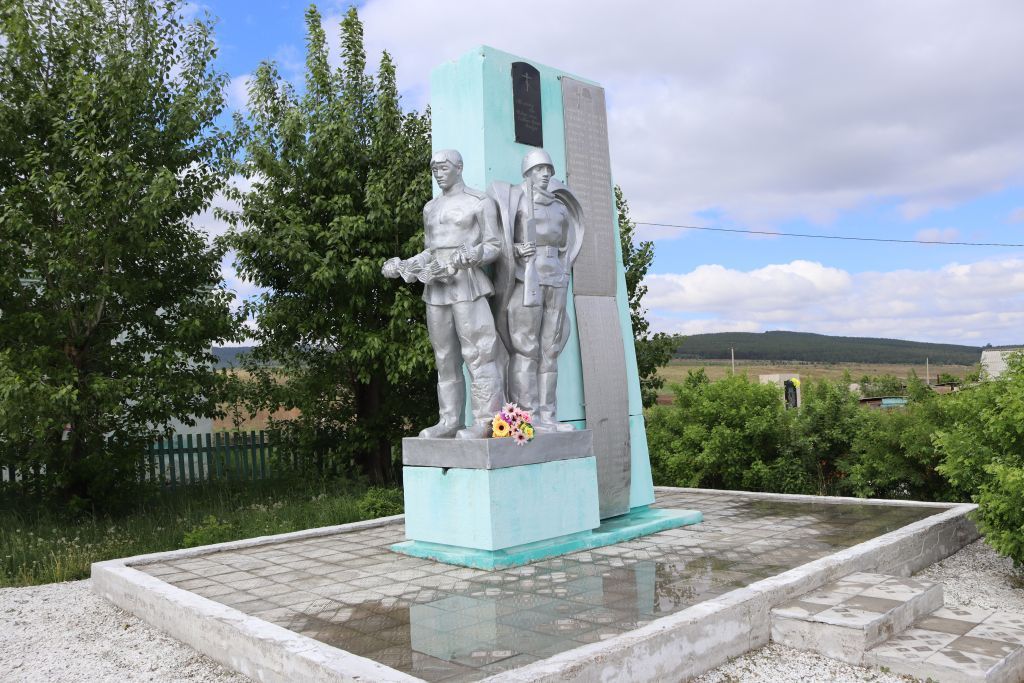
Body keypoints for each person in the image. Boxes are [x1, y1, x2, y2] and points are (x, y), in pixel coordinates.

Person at [382, 149, 503, 439]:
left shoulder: (479, 201)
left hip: (467, 284)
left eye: (443, 167)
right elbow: (431, 249)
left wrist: (474, 255)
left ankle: (487, 421)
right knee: (444, 357)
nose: (438, 173)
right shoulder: (430, 208)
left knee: (479, 353)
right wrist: (409, 263)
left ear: (459, 167)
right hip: (436, 287)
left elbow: (494, 245)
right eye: (434, 169)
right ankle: (449, 420)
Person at [489, 149, 584, 431]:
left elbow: (565, 245)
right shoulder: (517, 201)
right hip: (526, 277)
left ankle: (548, 416)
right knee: (526, 349)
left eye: (548, 170)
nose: (545, 174)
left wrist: (563, 271)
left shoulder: (559, 208)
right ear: (528, 172)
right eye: (539, 169)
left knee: (550, 350)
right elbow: (498, 241)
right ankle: (527, 416)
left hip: (557, 278)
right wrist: (517, 249)